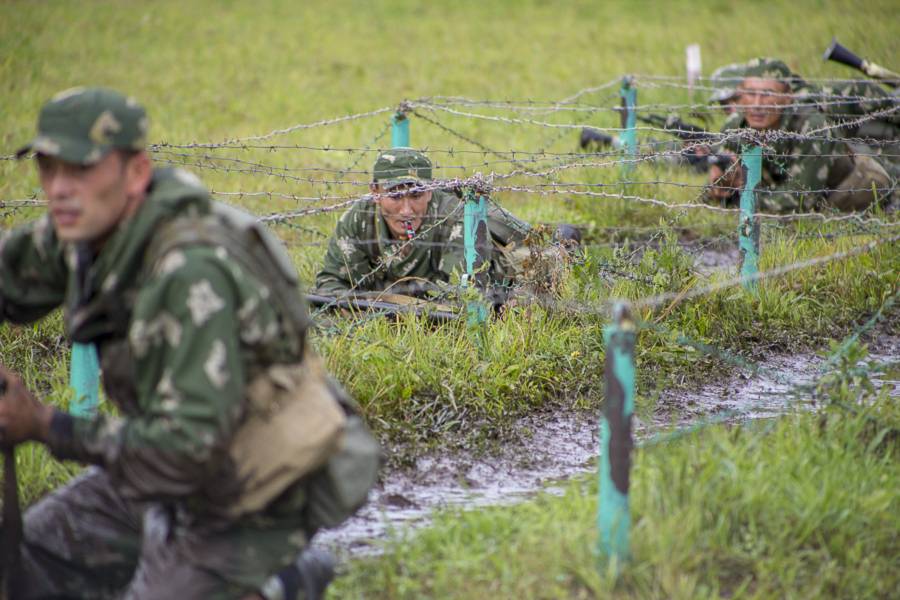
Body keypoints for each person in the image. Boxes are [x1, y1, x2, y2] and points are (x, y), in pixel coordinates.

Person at [0, 87, 370, 599]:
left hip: (252, 483)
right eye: (48, 168)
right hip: (168, 458)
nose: (59, 188)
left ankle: (281, 580)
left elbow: (185, 453)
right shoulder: (88, 232)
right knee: (26, 553)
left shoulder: (190, 272)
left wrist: (44, 424)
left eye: (81, 170)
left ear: (135, 173)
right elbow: (10, 273)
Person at [315, 148, 577, 301]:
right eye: (394, 196)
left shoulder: (455, 217)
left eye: (416, 195)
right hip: (408, 294)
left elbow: (462, 298)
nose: (406, 210)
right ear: (375, 192)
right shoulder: (358, 218)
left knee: (548, 266)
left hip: (504, 269)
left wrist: (374, 301)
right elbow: (329, 286)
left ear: (430, 191)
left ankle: (564, 244)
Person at [706, 57, 894, 212]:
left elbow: (799, 202)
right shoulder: (736, 124)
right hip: (792, 191)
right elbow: (715, 185)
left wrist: (742, 193)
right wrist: (720, 178)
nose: (757, 104)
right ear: (739, 96)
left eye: (767, 94)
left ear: (788, 97)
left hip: (854, 191)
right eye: (750, 94)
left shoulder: (811, 128)